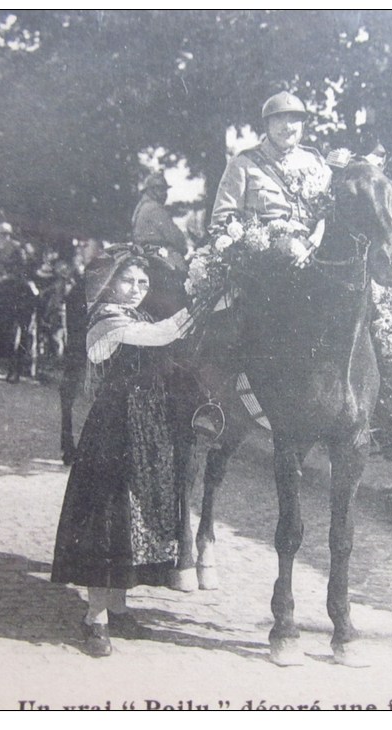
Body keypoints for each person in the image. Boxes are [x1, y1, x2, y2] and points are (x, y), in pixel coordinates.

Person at [50, 246, 193, 657]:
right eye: (128, 281)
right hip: (114, 426)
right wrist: (203, 300)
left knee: (133, 518)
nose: (135, 290)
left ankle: (118, 606)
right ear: (110, 283)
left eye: (143, 283)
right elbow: (163, 335)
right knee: (107, 516)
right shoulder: (106, 320)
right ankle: (94, 618)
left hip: (148, 425)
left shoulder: (138, 314)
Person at [210, 91, 330, 258]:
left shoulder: (316, 161)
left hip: (317, 256)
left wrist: (318, 233)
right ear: (266, 125)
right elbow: (223, 221)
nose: (287, 126)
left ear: (302, 125)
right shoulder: (243, 163)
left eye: (294, 119)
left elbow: (330, 211)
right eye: (279, 119)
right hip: (266, 265)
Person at [132, 171, 189, 262]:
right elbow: (176, 238)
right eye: (161, 189)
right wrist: (184, 247)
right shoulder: (154, 208)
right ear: (152, 190)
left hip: (146, 256)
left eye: (165, 190)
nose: (165, 194)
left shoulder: (142, 206)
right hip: (157, 258)